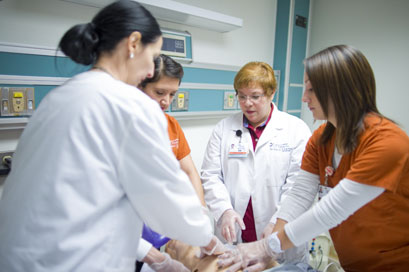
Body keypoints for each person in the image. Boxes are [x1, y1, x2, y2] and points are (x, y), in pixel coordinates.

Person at [0, 1, 223, 272]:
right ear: (133, 43)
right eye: (152, 56)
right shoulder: (130, 105)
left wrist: (152, 254)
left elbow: (81, 201)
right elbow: (165, 196)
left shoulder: (57, 98)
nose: (151, 72)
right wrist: (206, 237)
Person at [218, 45, 409, 272]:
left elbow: (332, 209)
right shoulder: (322, 138)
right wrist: (272, 243)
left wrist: (265, 247)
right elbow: (299, 195)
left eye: (311, 89)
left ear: (340, 90)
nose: (304, 97)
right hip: (354, 263)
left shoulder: (387, 143)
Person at [201, 61, 312, 264]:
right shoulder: (223, 128)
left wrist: (277, 223)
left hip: (279, 235)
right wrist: (224, 210)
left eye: (255, 96)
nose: (247, 103)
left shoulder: (296, 130)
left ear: (271, 94)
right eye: (241, 96)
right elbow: (210, 175)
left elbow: (298, 186)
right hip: (235, 234)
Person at [135, 54, 206, 271]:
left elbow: (189, 172)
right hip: (127, 237)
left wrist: (200, 215)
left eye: (172, 94)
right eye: (159, 92)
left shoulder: (171, 125)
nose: (166, 101)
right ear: (139, 86)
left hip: (158, 233)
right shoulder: (125, 126)